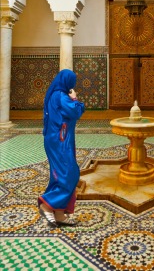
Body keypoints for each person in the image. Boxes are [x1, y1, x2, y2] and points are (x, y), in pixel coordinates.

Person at [38, 69, 85, 227]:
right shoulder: (60, 96)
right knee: (70, 173)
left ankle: (59, 214)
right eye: (72, 81)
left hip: (58, 139)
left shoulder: (55, 94)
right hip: (60, 140)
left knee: (60, 175)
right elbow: (75, 111)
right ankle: (46, 204)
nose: (73, 84)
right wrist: (75, 98)